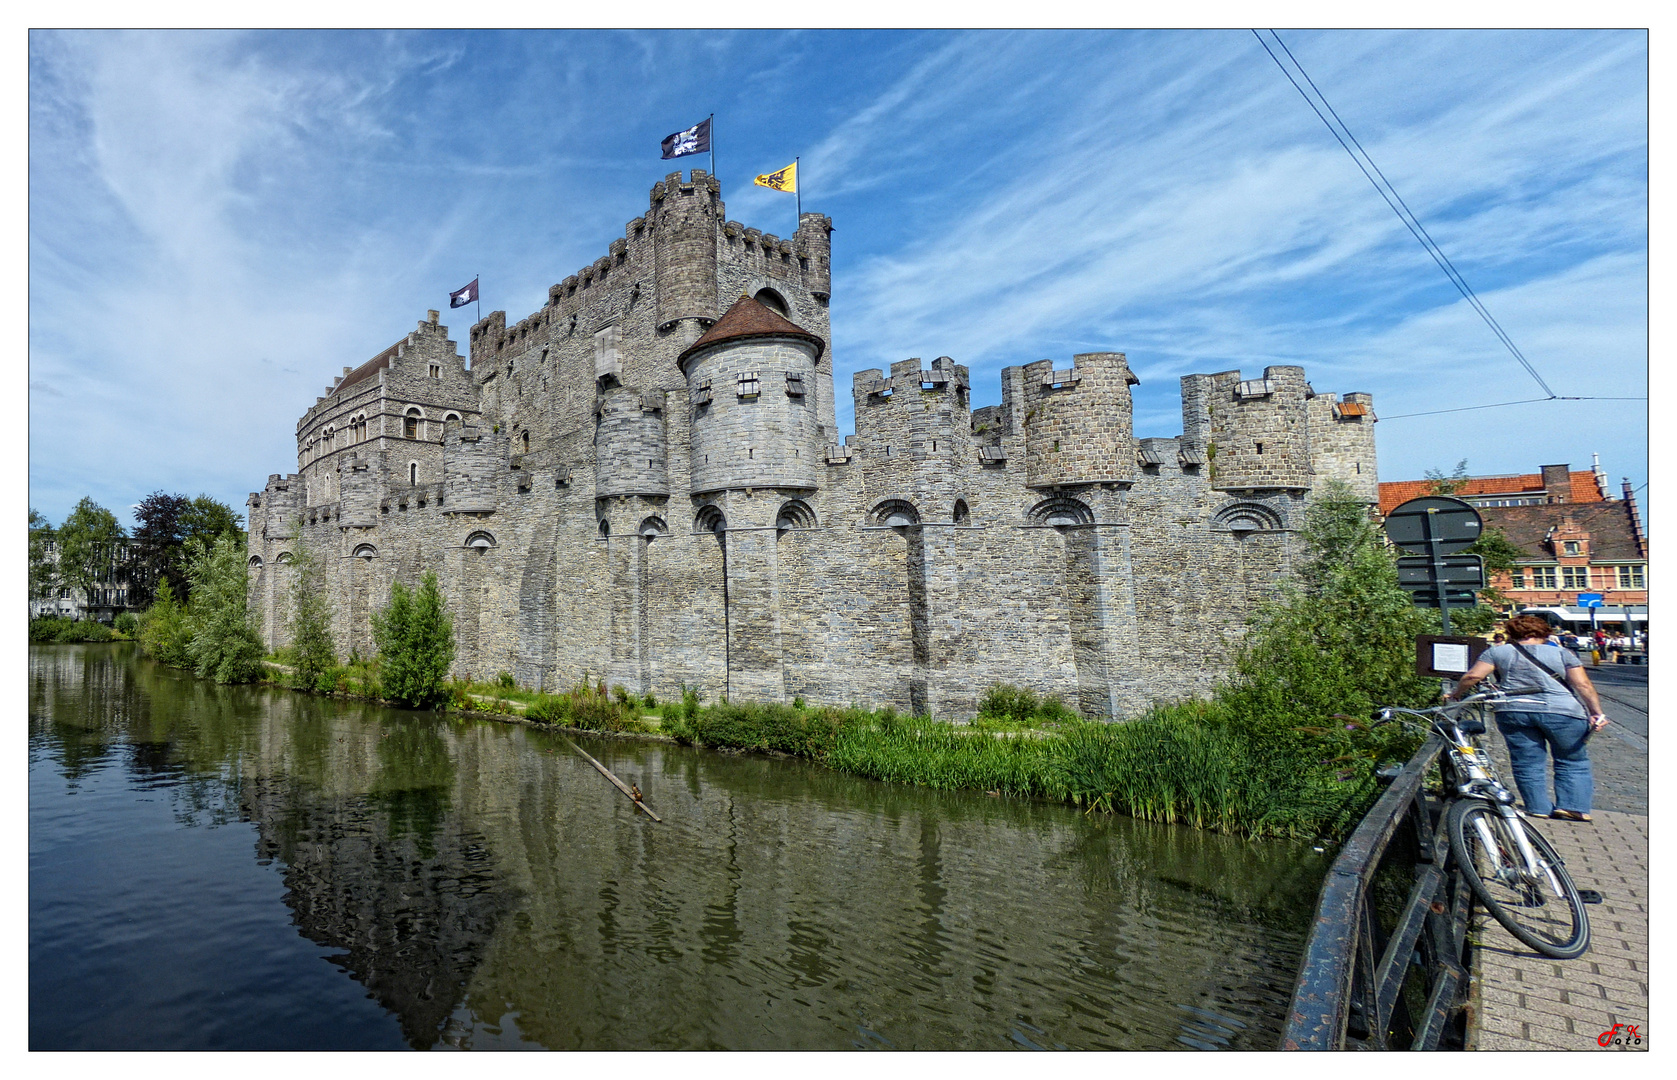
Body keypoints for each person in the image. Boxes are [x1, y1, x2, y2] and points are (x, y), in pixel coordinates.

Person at [1451, 613, 1609, 823]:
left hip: (1514, 711)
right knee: (1572, 760)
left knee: (1526, 762)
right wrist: (1595, 712)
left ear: (1511, 633)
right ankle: (1572, 807)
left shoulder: (1498, 652)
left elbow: (1474, 676)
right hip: (1563, 712)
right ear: (1545, 632)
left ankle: (1538, 807)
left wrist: (1456, 694)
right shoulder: (1563, 653)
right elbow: (1583, 685)